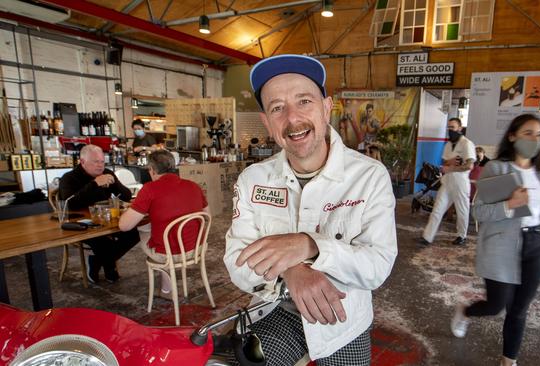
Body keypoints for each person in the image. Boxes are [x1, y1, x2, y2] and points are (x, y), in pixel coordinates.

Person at [224, 54, 397, 364]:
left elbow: (378, 265)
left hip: (342, 319)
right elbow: (237, 257)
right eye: (277, 107)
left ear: (327, 107)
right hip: (274, 309)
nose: (292, 118)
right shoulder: (253, 179)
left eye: (304, 101)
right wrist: (291, 270)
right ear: (266, 121)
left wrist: (309, 245)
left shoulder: (369, 177)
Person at [450, 114, 540, 366]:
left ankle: (509, 360)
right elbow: (480, 212)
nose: (534, 139)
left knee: (519, 310)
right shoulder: (498, 168)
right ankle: (465, 311)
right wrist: (510, 204)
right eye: (528, 133)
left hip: (534, 246)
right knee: (496, 305)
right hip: (502, 246)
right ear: (512, 136)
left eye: (539, 134)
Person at [119, 150, 209, 299]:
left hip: (168, 254)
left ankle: (168, 288)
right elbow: (207, 216)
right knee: (163, 232)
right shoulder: (193, 186)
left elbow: (124, 226)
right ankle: (166, 289)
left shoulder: (149, 189)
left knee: (144, 230)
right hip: (196, 248)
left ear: (152, 170)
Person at [58, 144, 140, 283]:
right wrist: (94, 184)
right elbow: (69, 204)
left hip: (107, 219)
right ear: (82, 162)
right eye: (96, 162)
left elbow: (125, 196)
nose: (100, 165)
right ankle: (109, 268)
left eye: (102, 161)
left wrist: (115, 184)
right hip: (81, 223)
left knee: (134, 232)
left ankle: (96, 262)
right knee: (101, 240)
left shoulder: (106, 173)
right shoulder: (69, 178)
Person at [419, 117, 476, 246]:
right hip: (447, 181)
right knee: (437, 209)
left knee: (462, 210)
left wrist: (451, 167)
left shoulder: (466, 144)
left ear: (460, 128)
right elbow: (445, 162)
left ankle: (462, 236)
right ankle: (427, 237)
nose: (450, 130)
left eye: (453, 127)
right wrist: (449, 163)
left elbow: (469, 165)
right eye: (449, 128)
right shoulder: (448, 145)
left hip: (461, 182)